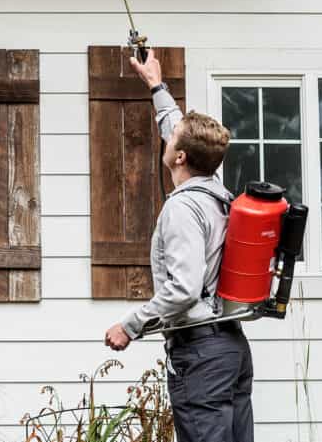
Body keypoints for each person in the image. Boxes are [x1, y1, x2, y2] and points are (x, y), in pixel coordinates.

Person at [103, 48, 254, 442]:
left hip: (200, 354)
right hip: (230, 347)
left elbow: (184, 289)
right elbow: (176, 126)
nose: (167, 138)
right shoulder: (215, 187)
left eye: (172, 139)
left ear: (180, 156)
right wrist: (155, 85)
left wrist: (130, 326)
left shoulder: (183, 209)